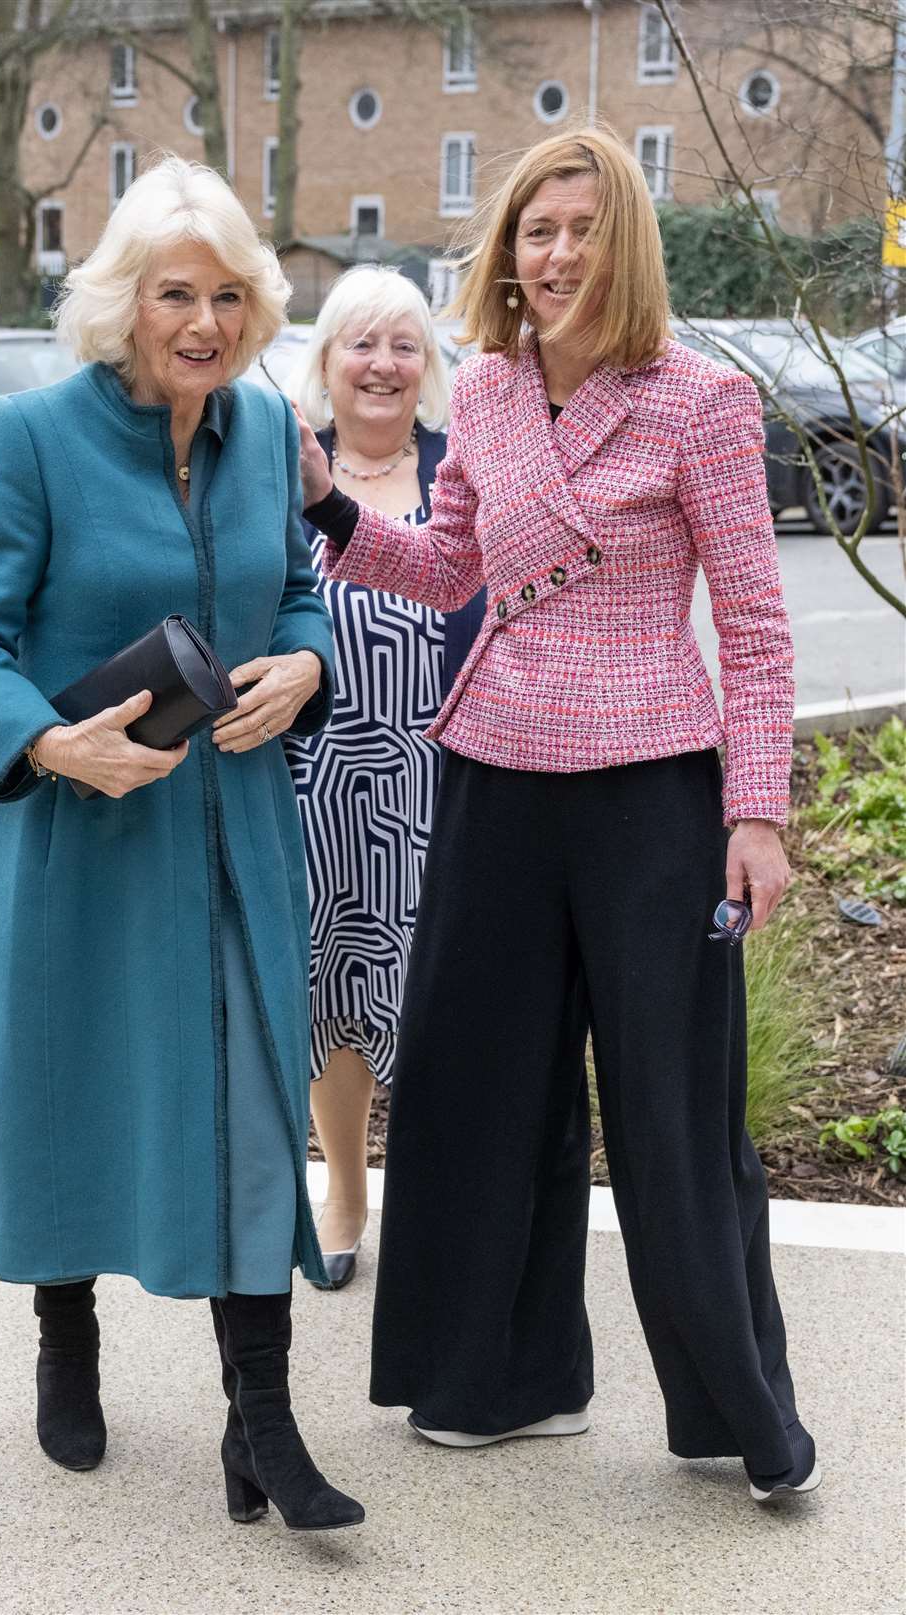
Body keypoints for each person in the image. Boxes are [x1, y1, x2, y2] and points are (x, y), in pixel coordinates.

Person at [296, 128, 819, 1504]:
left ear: (624, 241)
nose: (559, 252)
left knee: (674, 1106)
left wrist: (754, 815)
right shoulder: (485, 394)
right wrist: (332, 510)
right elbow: (450, 562)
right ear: (508, 252)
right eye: (537, 229)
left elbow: (757, 627)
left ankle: (731, 1412)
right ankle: (500, 1380)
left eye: (584, 227)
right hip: (496, 771)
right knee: (479, 1088)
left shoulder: (701, 400)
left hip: (654, 781)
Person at [0, 156, 364, 1533]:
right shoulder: (34, 436)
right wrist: (51, 742)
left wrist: (306, 660)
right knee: (75, 1089)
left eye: (232, 295)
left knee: (246, 1109)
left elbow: (295, 589)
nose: (207, 321)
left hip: (234, 836)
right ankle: (67, 1329)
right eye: (180, 292)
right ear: (125, 301)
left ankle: (265, 1423)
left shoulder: (262, 427)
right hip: (83, 839)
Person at [285, 265, 483, 1290]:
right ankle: (346, 1182)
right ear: (326, 360)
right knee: (330, 982)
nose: (383, 363)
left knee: (438, 989)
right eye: (361, 342)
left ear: (428, 366)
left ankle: (433, 1195)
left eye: (404, 344)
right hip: (313, 778)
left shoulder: (461, 470)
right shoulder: (281, 478)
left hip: (437, 782)